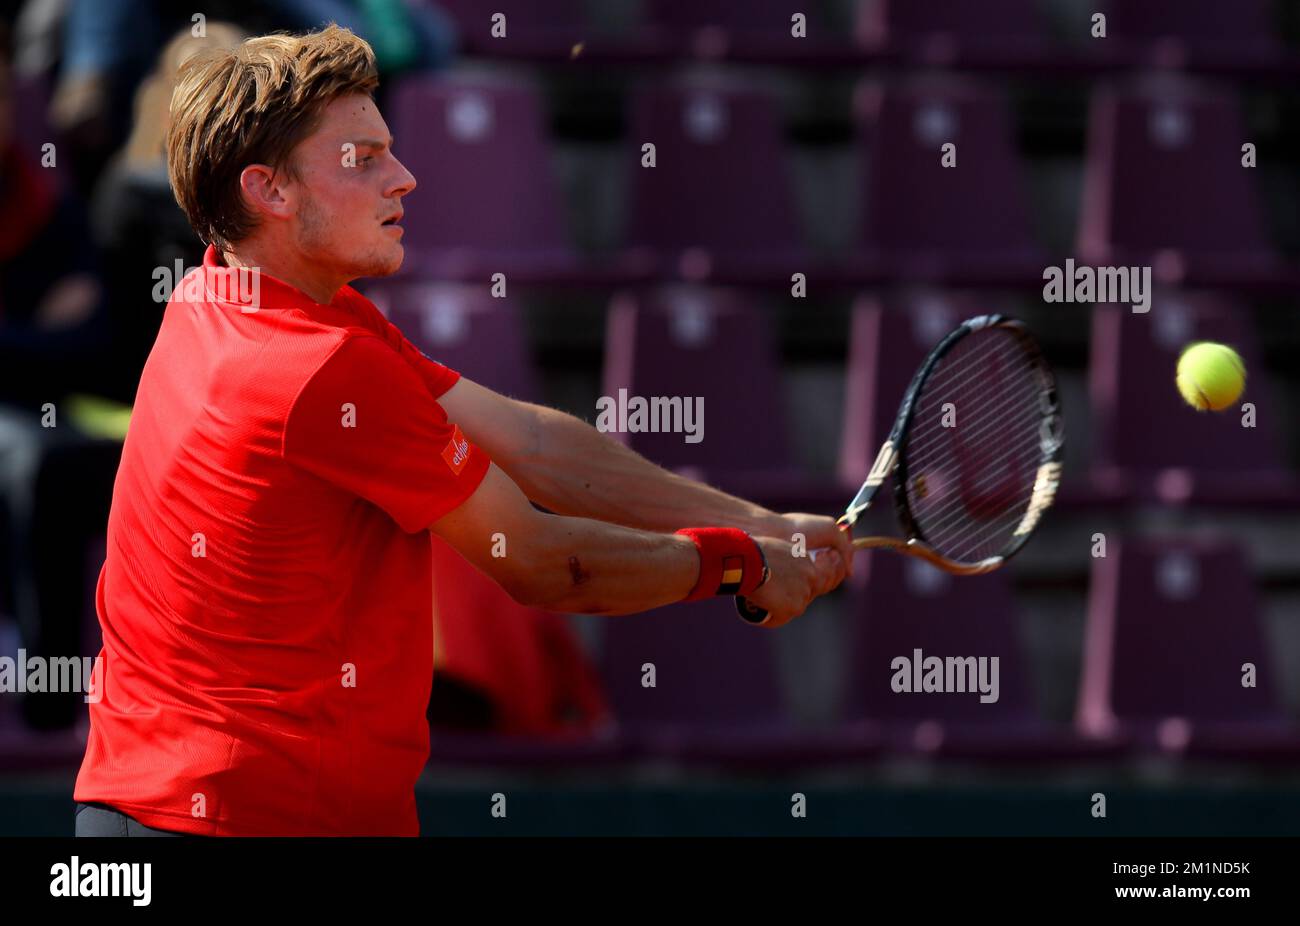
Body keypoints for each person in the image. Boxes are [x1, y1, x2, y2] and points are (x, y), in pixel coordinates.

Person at [73, 23, 853, 837]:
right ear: (270, 191)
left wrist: (757, 524)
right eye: (363, 160)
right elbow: (551, 566)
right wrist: (735, 565)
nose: (404, 179)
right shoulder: (320, 367)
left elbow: (530, 441)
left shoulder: (225, 295)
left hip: (138, 818)